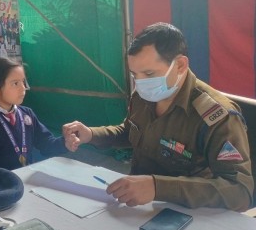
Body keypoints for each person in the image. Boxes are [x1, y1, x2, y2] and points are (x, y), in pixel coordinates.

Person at [63, 22, 253, 211]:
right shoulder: (143, 95)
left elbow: (239, 192)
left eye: (149, 73)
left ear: (180, 65)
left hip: (189, 213)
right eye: (134, 74)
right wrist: (91, 134)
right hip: (136, 205)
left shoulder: (217, 117)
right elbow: (131, 131)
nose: (140, 83)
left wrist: (157, 187)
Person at [0, 57, 70, 170]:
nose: (23, 88)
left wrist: (66, 142)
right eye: (15, 83)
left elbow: (46, 143)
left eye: (23, 81)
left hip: (24, 178)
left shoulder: (27, 114)